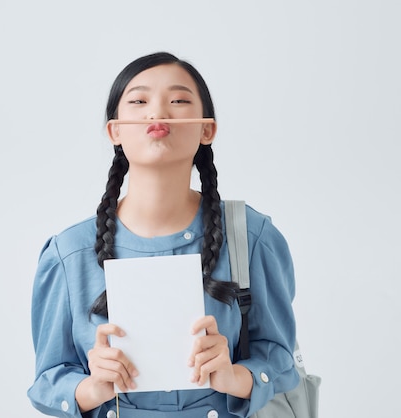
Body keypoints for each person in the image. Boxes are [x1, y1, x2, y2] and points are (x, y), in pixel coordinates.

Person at [27, 52, 300, 418]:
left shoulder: (250, 236)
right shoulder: (67, 253)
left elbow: (281, 358)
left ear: (208, 129)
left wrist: (234, 377)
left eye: (179, 100)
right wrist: (91, 388)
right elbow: (46, 381)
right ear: (115, 130)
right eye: (139, 101)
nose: (157, 113)